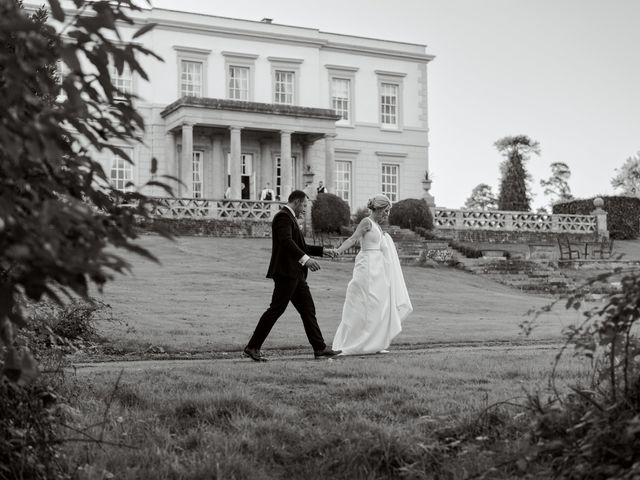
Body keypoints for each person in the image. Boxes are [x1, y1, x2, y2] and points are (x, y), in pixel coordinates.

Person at [244, 190, 341, 361]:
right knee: (276, 309)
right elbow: (286, 242)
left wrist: (325, 251)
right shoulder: (283, 217)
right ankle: (252, 347)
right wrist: (306, 260)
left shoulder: (290, 219)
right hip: (286, 273)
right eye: (304, 205)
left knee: (308, 310)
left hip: (295, 275)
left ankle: (319, 348)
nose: (305, 209)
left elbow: (301, 246)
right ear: (296, 202)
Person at [332, 194, 413, 355]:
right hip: (367, 266)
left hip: (378, 269)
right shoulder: (366, 222)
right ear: (380, 208)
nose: (387, 214)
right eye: (386, 211)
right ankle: (355, 343)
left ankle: (373, 343)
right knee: (363, 303)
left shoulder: (377, 225)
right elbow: (353, 239)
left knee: (378, 305)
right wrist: (337, 251)